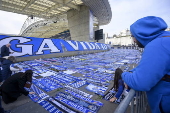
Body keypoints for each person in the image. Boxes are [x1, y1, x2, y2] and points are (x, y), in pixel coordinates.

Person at [121, 16, 170, 113]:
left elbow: (140, 83)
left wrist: (124, 74)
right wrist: (133, 71)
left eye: (133, 36)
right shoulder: (165, 40)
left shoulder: (157, 45)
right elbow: (151, 68)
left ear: (141, 34)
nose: (133, 40)